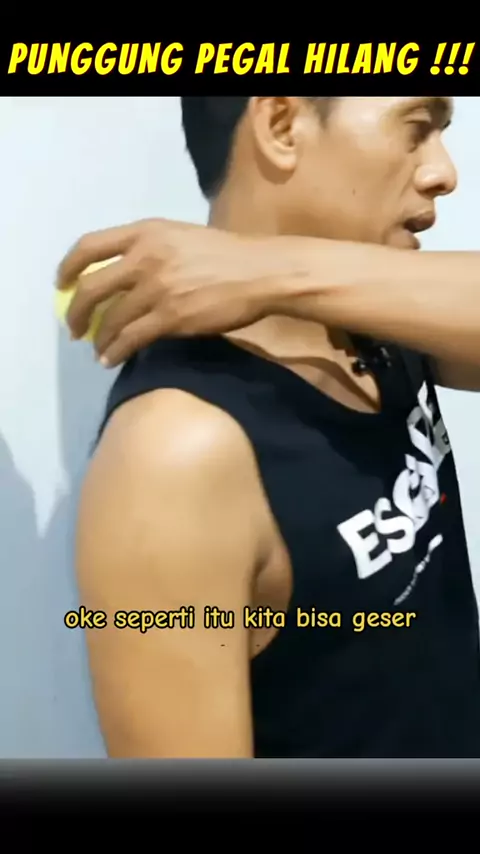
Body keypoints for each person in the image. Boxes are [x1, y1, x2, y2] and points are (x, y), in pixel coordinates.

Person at [67, 96, 480, 758]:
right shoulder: (176, 454)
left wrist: (266, 270)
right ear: (283, 126)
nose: (444, 173)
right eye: (416, 129)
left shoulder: (377, 318)